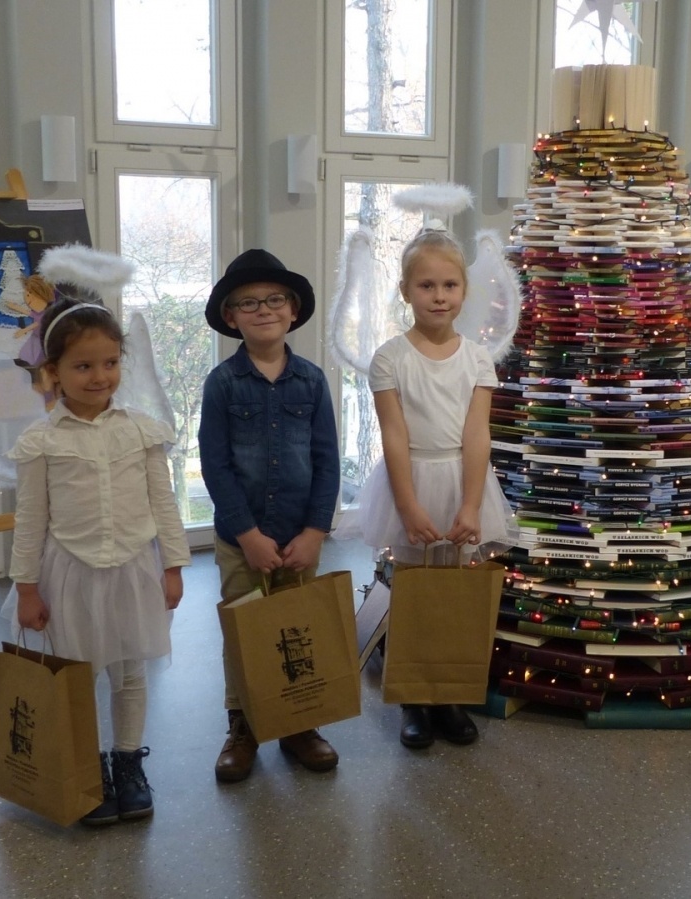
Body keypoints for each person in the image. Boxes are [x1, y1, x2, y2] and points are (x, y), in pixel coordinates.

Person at [3, 296, 188, 826]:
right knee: (79, 676)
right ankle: (87, 770)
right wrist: (28, 587)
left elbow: (164, 505)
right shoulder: (41, 441)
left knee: (130, 672)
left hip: (133, 570)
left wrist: (172, 566)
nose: (99, 376)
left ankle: (128, 763)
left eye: (110, 363)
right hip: (69, 576)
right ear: (53, 371)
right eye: (83, 365)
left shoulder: (141, 430)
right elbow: (31, 520)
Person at [346, 228, 513, 750]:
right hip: (411, 481)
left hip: (464, 482)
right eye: (426, 286)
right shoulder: (390, 358)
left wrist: (470, 504)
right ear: (405, 291)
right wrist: (408, 504)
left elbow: (476, 434)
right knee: (413, 592)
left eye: (449, 285)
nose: (438, 296)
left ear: (463, 291)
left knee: (456, 594)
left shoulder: (477, 359)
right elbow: (394, 436)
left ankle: (451, 696)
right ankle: (415, 699)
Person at [198, 249, 341, 782]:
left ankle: (301, 722)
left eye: (274, 299)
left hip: (300, 536)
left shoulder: (313, 380)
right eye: (249, 302)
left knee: (298, 629)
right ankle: (244, 725)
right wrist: (247, 534)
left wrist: (315, 531)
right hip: (244, 539)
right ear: (231, 316)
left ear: (293, 309)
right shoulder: (223, 384)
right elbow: (214, 466)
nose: (264, 309)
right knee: (245, 629)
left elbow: (327, 458)